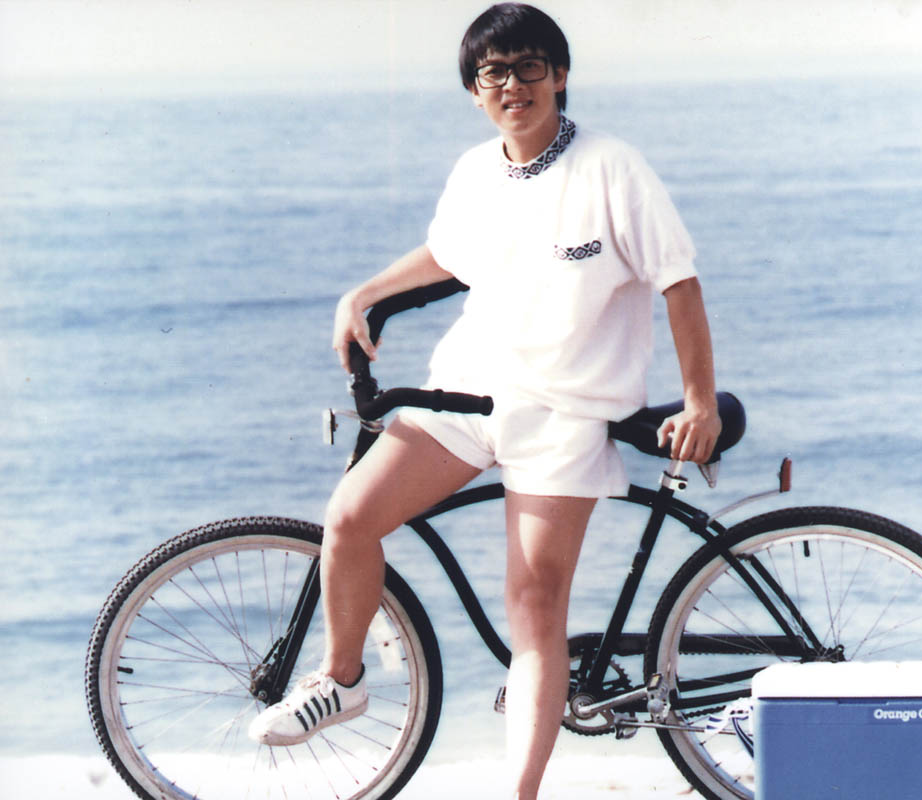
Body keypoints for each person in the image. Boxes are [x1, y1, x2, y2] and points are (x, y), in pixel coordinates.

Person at [248, 4, 720, 798]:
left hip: (566, 414)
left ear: (559, 75)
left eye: (529, 67)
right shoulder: (476, 170)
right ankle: (342, 678)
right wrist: (362, 293)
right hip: (465, 396)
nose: (513, 85)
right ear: (474, 89)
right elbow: (447, 255)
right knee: (350, 517)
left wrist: (699, 401)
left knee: (533, 607)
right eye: (493, 73)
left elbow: (679, 281)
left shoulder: (611, 167)